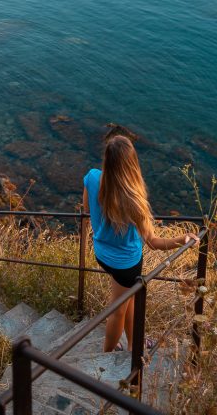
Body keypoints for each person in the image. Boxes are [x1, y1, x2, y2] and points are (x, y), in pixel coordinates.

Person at [83, 134, 199, 353]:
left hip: (102, 253)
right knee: (118, 309)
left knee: (130, 300)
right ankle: (106, 356)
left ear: (107, 159)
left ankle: (133, 344)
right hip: (126, 264)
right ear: (131, 164)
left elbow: (87, 210)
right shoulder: (134, 202)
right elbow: (154, 242)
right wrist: (181, 239)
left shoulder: (92, 177)